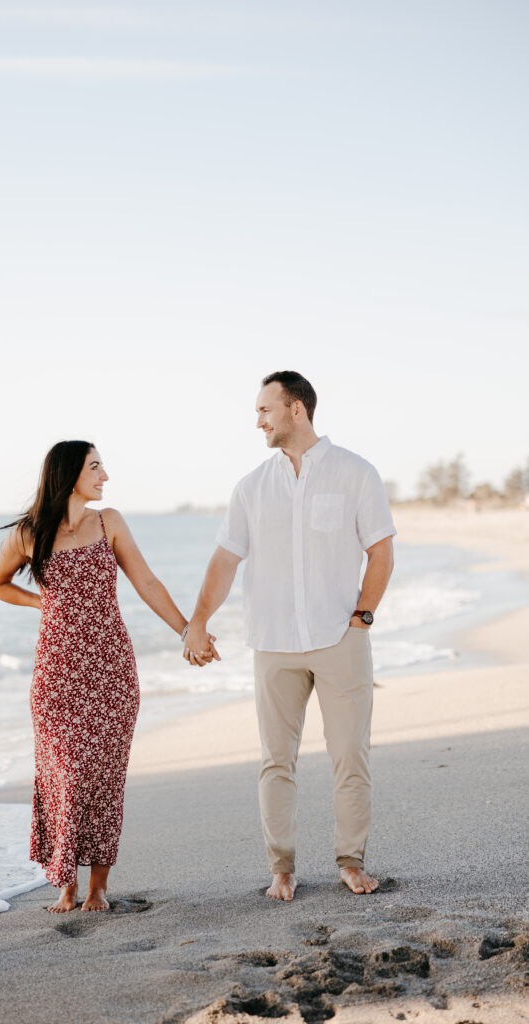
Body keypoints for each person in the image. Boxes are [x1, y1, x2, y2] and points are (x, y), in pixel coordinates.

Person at [183, 371, 395, 901]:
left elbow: (381, 551)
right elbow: (225, 560)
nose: (258, 420)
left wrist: (362, 616)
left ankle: (351, 861)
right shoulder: (251, 488)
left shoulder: (355, 473)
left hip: (339, 639)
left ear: (295, 408)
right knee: (276, 759)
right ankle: (282, 868)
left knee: (350, 754)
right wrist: (199, 620)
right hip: (273, 642)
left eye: (265, 409)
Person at [0, 441, 206, 913]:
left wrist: (187, 630)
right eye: (95, 467)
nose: (105, 475)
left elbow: (145, 582)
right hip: (56, 674)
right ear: (68, 475)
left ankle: (98, 886)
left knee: (103, 775)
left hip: (111, 669)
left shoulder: (109, 522)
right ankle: (65, 883)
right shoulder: (29, 534)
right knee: (65, 774)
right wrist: (42, 603)